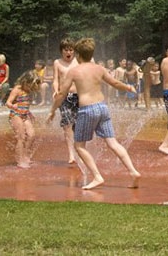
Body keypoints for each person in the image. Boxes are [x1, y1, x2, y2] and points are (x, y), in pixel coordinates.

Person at [49, 37, 141, 190]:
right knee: (112, 143)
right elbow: (115, 83)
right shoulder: (99, 68)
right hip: (102, 107)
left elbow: (61, 94)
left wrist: (52, 110)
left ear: (78, 54)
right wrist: (129, 88)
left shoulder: (74, 71)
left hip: (87, 110)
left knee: (79, 146)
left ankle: (97, 176)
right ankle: (133, 171)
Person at [51, 38, 79, 164]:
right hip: (64, 96)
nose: (68, 52)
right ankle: (71, 154)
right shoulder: (57, 62)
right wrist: (55, 90)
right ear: (61, 51)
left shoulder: (78, 61)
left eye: (71, 50)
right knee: (67, 125)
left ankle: (80, 150)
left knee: (77, 126)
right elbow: (56, 79)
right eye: (66, 50)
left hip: (78, 96)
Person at [6, 70, 41, 168]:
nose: (31, 88)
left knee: (31, 135)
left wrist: (30, 113)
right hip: (15, 115)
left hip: (25, 116)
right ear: (25, 82)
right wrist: (13, 106)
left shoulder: (30, 91)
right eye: (30, 86)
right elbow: (8, 103)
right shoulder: (17, 89)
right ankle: (20, 160)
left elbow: (25, 104)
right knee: (21, 137)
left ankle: (25, 156)